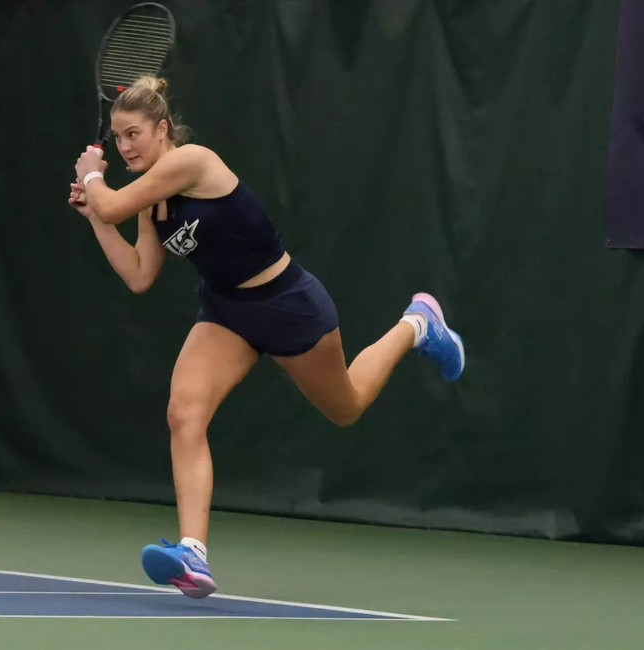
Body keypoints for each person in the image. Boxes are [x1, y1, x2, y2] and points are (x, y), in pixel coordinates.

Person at [68, 76, 464, 599]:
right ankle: (193, 553)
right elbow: (141, 274)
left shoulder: (194, 162)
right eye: (117, 139)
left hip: (288, 304)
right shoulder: (147, 200)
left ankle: (417, 325)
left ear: (163, 130)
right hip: (226, 311)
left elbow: (113, 202)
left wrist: (93, 177)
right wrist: (96, 218)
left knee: (346, 405)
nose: (124, 147)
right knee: (183, 414)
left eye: (134, 133)